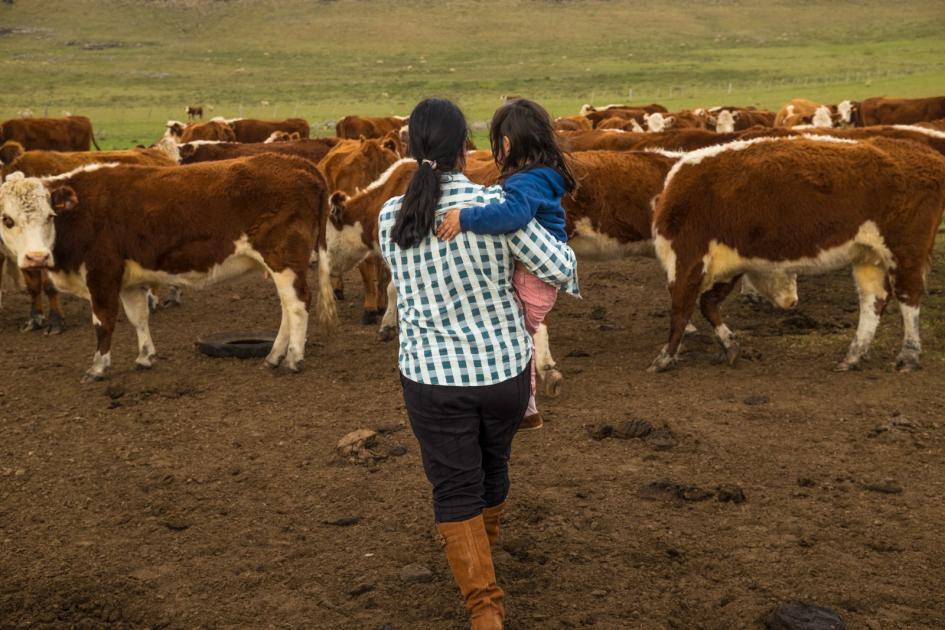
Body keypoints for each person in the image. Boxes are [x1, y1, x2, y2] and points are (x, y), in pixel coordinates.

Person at [378, 97, 579, 630]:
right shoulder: (494, 205)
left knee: (453, 486)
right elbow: (560, 265)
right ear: (466, 149)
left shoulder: (386, 219)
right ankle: (482, 561)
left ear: (409, 148)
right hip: (503, 371)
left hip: (430, 377)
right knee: (493, 466)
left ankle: (484, 607)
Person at [436, 98, 576, 431]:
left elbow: (513, 215)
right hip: (540, 276)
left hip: (534, 277)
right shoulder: (543, 176)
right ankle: (526, 408)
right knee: (520, 334)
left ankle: (525, 408)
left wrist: (465, 218)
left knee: (515, 336)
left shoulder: (525, 182)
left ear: (507, 144)